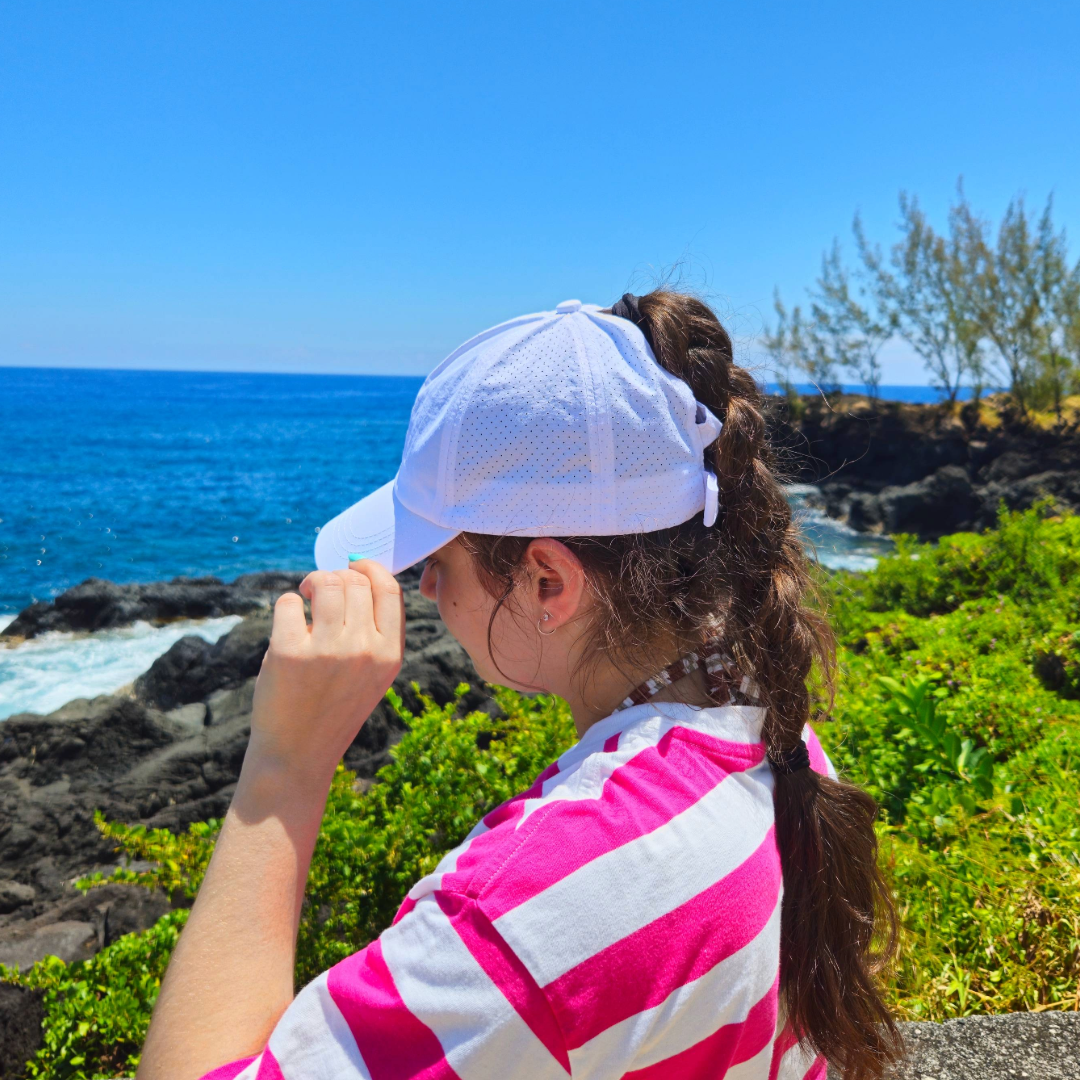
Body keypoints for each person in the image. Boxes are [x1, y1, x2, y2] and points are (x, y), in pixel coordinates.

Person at [136, 293, 900, 1080]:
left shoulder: (528, 917)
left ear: (546, 582)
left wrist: (283, 769)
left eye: (437, 557)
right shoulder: (780, 741)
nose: (424, 588)